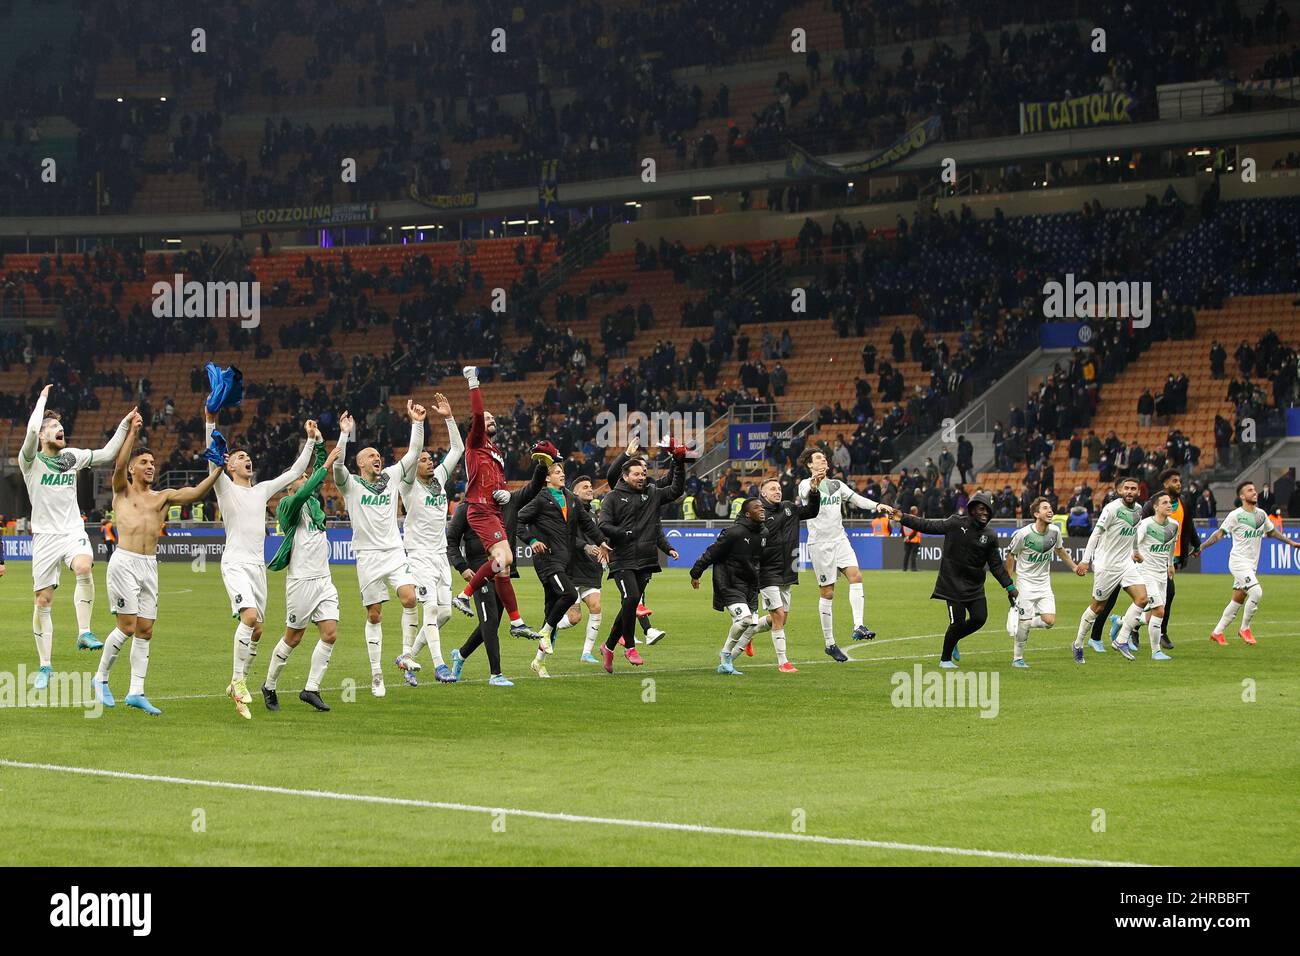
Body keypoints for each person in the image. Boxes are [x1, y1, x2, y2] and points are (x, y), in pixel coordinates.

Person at [93, 411, 221, 714]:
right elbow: (119, 463)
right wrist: (133, 433)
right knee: (126, 626)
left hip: (150, 565)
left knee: (146, 629)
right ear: (133, 468)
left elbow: (192, 494)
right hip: (124, 562)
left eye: (153, 463)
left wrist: (216, 473)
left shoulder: (162, 497)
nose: (151, 467)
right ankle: (100, 678)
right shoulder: (121, 491)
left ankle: (136, 691)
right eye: (145, 463)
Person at [205, 411, 319, 719]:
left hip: (257, 567)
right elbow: (212, 458)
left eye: (248, 457)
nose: (247, 459)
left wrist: (309, 440)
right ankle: (238, 680)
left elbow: (295, 471)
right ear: (229, 465)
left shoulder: (261, 490)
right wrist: (210, 423)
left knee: (258, 630)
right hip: (235, 563)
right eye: (240, 457)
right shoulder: (225, 487)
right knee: (250, 616)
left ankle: (237, 682)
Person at [21, 385, 134, 690]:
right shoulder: (29, 460)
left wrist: (124, 425)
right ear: (42, 436)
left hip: (72, 529)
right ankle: (45, 665)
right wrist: (42, 399)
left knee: (84, 567)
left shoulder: (71, 457)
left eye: (61, 426)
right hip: (45, 536)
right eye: (54, 427)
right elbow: (32, 430)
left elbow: (107, 453)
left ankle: (84, 632)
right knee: (43, 599)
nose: (61, 429)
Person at [332, 401, 425, 698]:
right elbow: (336, 465)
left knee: (410, 598)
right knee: (374, 615)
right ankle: (376, 674)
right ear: (359, 463)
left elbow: (412, 455)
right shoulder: (351, 484)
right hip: (368, 557)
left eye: (378, 455)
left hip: (394, 552)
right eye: (370, 455)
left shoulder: (391, 478)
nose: (377, 457)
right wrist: (345, 434)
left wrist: (417, 423)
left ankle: (406, 654)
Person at [451, 365, 542, 639]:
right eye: (486, 418)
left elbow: (494, 479)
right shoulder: (475, 442)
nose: (490, 419)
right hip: (479, 509)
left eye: (492, 418)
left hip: (493, 509)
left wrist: (502, 492)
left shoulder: (495, 450)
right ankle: (464, 595)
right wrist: (473, 382)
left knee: (503, 569)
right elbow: (477, 412)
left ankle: (516, 623)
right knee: (506, 558)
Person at [888, 490, 1017, 667]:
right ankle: (945, 659)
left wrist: (1009, 587)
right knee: (957, 622)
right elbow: (928, 526)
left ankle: (954, 638)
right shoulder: (956, 523)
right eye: (981, 509)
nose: (984, 513)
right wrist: (903, 517)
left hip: (975, 586)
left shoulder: (990, 536)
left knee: (979, 618)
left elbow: (995, 565)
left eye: (987, 511)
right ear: (972, 509)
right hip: (952, 583)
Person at [264, 431, 345, 711]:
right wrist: (324, 464)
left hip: (324, 580)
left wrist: (320, 442)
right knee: (293, 637)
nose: (305, 478)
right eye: (300, 477)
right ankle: (269, 685)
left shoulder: (312, 502)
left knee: (330, 633)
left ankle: (311, 688)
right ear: (291, 484)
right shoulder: (288, 505)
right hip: (301, 582)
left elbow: (315, 481)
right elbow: (311, 484)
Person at [597, 445, 686, 673]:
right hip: (622, 559)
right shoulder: (613, 497)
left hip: (646, 560)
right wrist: (623, 534)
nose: (641, 477)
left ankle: (608, 647)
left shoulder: (652, 493)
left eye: (643, 474)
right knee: (633, 598)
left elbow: (676, 490)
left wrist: (679, 461)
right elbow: (603, 525)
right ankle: (629, 646)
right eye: (636, 474)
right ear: (625, 476)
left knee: (628, 604)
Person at [517, 461, 610, 677]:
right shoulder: (540, 499)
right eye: (557, 472)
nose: (562, 475)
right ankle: (545, 632)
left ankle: (538, 661)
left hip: (564, 561)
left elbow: (587, 524)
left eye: (563, 472)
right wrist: (531, 540)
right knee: (568, 595)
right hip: (547, 560)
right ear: (547, 478)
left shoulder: (571, 499)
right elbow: (519, 520)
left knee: (551, 610)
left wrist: (602, 541)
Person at [396, 393, 462, 684]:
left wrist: (448, 417)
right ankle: (439, 665)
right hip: (419, 555)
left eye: (430, 458)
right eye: (423, 460)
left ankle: (408, 656)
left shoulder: (439, 481)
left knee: (444, 613)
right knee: (431, 609)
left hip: (440, 555)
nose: (428, 461)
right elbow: (414, 450)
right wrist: (418, 424)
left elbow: (457, 449)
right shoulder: (408, 486)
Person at [730, 469, 823, 671]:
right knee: (778, 614)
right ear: (762, 493)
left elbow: (812, 511)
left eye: (779, 488)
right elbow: (739, 531)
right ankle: (783, 662)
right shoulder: (756, 513)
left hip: (788, 570)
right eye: (772, 489)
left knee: (778, 619)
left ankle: (751, 632)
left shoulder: (789, 508)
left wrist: (814, 492)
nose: (777, 491)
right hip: (765, 571)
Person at [797, 448, 884, 659]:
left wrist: (878, 505)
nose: (823, 459)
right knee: (828, 592)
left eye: (824, 457)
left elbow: (857, 499)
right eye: (818, 458)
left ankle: (859, 625)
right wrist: (815, 486)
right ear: (810, 465)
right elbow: (807, 496)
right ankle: (830, 643)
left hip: (840, 539)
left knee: (856, 576)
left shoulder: (837, 484)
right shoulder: (805, 484)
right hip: (820, 544)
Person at [1202, 480, 1300, 645]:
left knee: (1237, 599)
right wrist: (1202, 546)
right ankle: (1245, 628)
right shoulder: (1235, 515)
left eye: (1254, 489)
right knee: (1256, 592)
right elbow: (1219, 534)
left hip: (1251, 564)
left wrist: (1291, 543)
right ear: (1242, 496)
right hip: (1238, 561)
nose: (1254, 492)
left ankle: (1217, 632)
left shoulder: (1261, 514)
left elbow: (1272, 532)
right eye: (1250, 490)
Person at [1120, 468, 1201, 650]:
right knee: (1160, 598)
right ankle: (1155, 632)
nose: (1179, 483)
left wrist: (1196, 544)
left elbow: (1189, 524)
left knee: (1161, 599)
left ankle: (1131, 624)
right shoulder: (1153, 504)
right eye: (1174, 481)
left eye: (1179, 480)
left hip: (1169, 558)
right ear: (1165, 484)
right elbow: (1140, 529)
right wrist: (1135, 553)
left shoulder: (1182, 503)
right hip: (1148, 562)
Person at [1072, 477, 1150, 662]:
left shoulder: (1138, 510)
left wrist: (1136, 552)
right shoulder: (1112, 509)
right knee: (1097, 607)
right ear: (1120, 491)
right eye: (1127, 488)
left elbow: (1134, 533)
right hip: (1106, 565)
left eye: (1133, 489)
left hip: (1126, 563)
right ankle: (1078, 643)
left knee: (1142, 599)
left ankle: (1121, 639)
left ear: (1138, 492)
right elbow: (1096, 534)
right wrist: (1085, 561)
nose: (1130, 491)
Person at [690, 498, 767, 676]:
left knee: (750, 626)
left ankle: (726, 664)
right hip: (729, 582)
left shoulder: (764, 533)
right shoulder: (733, 533)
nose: (762, 509)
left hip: (749, 585)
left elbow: (759, 560)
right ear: (748, 514)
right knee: (746, 621)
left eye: (762, 507)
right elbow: (711, 552)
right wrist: (696, 573)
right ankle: (725, 656)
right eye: (757, 507)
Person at [1003, 497, 1084, 667]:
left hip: (1044, 583)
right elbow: (1011, 555)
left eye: (1050, 507)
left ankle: (1023, 621)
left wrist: (1074, 567)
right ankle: (1017, 658)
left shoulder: (1054, 531)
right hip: (1025, 583)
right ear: (1036, 513)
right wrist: (1008, 582)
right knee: (1025, 623)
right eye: (1045, 508)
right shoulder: (1023, 534)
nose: (1050, 510)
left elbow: (1060, 551)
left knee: (1049, 621)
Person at [446, 499, 512, 686]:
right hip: (477, 570)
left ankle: (460, 655)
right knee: (489, 622)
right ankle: (496, 674)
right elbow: (451, 540)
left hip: (499, 570)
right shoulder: (466, 508)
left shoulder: (498, 505)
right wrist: (462, 567)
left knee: (491, 622)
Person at [1112, 492, 1178, 661]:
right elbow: (1132, 544)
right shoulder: (1146, 525)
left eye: (1169, 502)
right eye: (1164, 502)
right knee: (1160, 611)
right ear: (1156, 507)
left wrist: (1170, 564)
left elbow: (1171, 546)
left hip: (1162, 574)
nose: (1169, 505)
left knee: (1151, 616)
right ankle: (1155, 651)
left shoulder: (1174, 526)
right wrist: (1133, 556)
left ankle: (1120, 622)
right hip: (1145, 573)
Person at [561, 475, 608, 664]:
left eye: (591, 486)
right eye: (585, 487)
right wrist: (585, 547)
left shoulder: (593, 512)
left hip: (591, 569)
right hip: (572, 569)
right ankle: (550, 627)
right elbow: (567, 537)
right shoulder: (569, 511)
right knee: (574, 618)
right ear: (575, 492)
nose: (590, 489)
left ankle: (586, 653)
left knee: (596, 607)